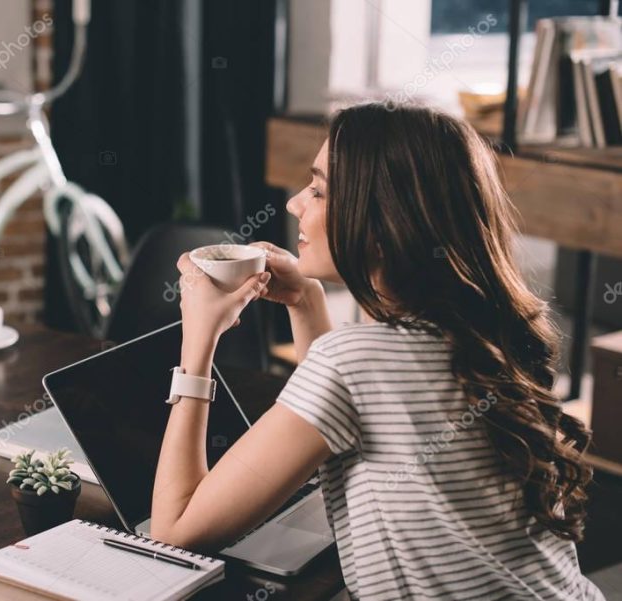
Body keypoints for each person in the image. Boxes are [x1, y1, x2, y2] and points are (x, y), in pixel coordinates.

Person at [150, 102, 605, 600]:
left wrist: (197, 345)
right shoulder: (488, 332)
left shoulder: (353, 362)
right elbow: (351, 410)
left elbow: (175, 531)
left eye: (320, 190)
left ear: (383, 224)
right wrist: (304, 299)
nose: (295, 203)